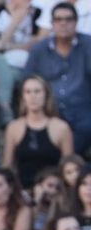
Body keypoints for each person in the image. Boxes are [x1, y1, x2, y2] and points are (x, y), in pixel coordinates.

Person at [25, 2, 91, 155]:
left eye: (68, 19)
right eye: (58, 19)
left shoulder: (88, 45)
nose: (63, 23)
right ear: (52, 23)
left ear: (76, 22)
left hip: (83, 111)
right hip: (49, 111)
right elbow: (27, 80)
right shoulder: (39, 50)